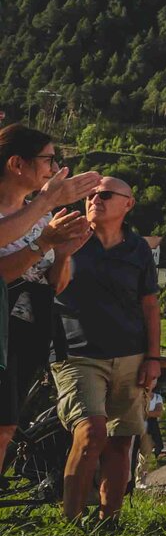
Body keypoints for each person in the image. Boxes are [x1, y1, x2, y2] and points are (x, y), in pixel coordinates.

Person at [50, 175, 157, 521]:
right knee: (91, 431)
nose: (96, 198)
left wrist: (153, 357)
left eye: (106, 194)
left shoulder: (138, 248)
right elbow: (50, 285)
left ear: (128, 204)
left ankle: (109, 520)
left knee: (121, 440)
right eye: (91, 194)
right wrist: (60, 251)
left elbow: (150, 305)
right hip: (77, 352)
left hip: (130, 353)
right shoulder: (69, 234)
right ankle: (71, 521)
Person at [0, 126, 92, 474]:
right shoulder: (36, 214)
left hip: (27, 333)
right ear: (17, 164)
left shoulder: (39, 218)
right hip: (1, 331)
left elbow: (56, 284)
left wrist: (63, 253)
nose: (54, 169)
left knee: (7, 428)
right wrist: (44, 239)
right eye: (48, 159)